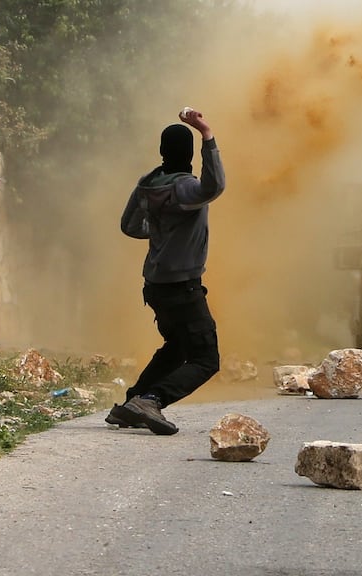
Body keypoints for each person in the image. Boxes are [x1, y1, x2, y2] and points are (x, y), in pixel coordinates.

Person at [105, 108, 225, 436]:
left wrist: (160, 231)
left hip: (156, 286)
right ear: (188, 154)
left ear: (162, 152)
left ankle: (130, 404)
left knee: (177, 346)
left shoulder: (148, 184)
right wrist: (207, 134)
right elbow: (214, 187)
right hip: (183, 286)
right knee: (205, 359)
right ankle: (152, 399)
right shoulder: (186, 188)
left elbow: (129, 226)